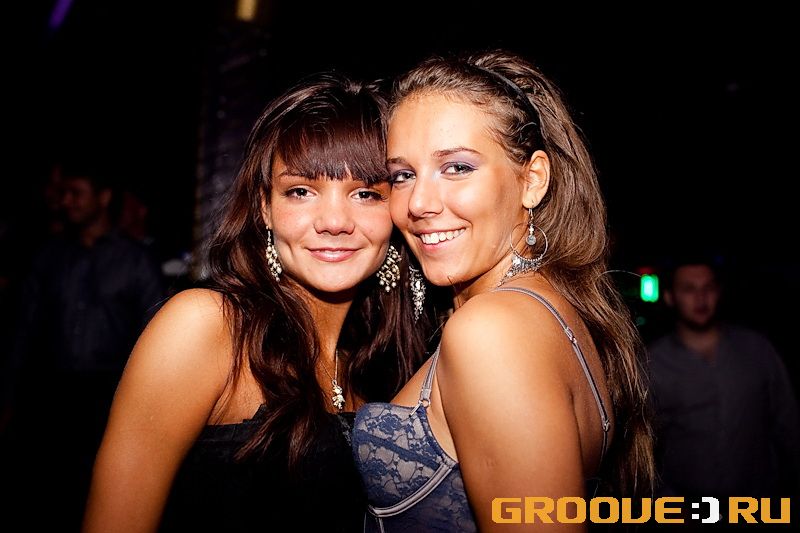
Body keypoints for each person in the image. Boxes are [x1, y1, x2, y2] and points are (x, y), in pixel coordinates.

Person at [82, 71, 428, 533]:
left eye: (366, 194)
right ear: (265, 206)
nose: (334, 221)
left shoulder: (389, 360)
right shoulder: (207, 326)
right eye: (301, 191)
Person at [352, 49, 655, 532]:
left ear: (532, 180)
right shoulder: (551, 309)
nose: (419, 202)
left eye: (457, 167)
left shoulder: (493, 329)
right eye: (403, 175)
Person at [0, 156, 167, 531]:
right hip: (49, 396)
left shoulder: (136, 261)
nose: (67, 202)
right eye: (64, 194)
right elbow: (23, 331)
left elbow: (156, 337)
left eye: (76, 193)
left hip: (109, 397)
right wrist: (8, 397)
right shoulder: (49, 256)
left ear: (103, 197)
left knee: (97, 493)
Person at [647, 254, 800, 502]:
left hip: (758, 504)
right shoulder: (653, 363)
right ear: (670, 297)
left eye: (708, 288)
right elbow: (643, 446)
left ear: (719, 292)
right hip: (687, 508)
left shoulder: (757, 350)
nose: (701, 298)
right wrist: (666, 503)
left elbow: (787, 424)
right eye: (689, 289)